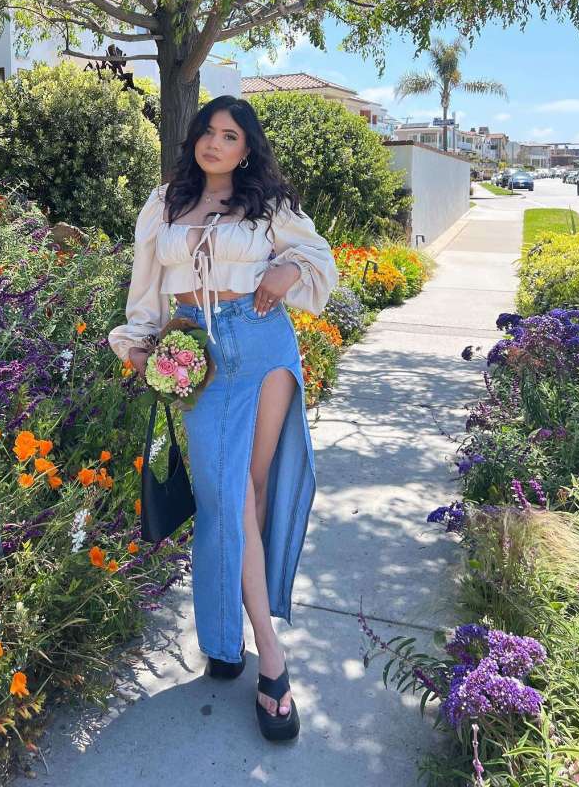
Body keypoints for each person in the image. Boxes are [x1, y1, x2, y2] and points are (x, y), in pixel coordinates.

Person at [108, 95, 338, 742]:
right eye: (207, 132)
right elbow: (146, 285)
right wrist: (142, 343)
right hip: (197, 352)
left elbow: (320, 264)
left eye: (229, 135)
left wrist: (289, 266)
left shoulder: (269, 204)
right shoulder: (167, 203)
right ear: (195, 141)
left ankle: (225, 642)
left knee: (252, 491)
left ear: (246, 147)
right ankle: (269, 655)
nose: (215, 143)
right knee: (226, 494)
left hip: (263, 344)